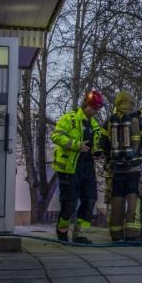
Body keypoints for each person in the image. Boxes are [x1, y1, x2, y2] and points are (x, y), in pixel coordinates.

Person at [51, 91, 106, 244]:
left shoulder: (94, 125)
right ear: (86, 104)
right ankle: (62, 231)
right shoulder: (69, 119)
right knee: (70, 203)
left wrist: (98, 152)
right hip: (69, 167)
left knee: (90, 200)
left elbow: (96, 143)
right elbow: (56, 136)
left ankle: (80, 235)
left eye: (97, 109)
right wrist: (76, 145)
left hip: (87, 167)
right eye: (93, 108)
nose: (95, 112)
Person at [102, 91, 142, 241]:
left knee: (117, 201)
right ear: (132, 103)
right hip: (135, 169)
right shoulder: (140, 120)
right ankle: (133, 234)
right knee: (134, 200)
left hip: (116, 170)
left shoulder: (110, 121)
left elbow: (102, 145)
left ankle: (116, 234)